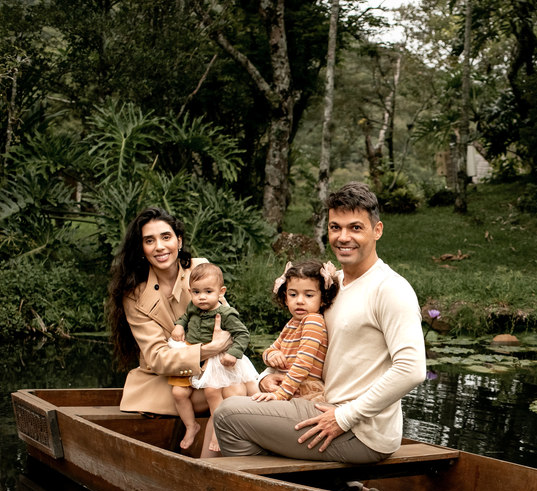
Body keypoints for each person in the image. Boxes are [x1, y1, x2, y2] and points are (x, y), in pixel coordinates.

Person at [213, 182, 426, 465]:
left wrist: (344, 417)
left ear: (377, 230)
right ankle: (325, 489)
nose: (343, 237)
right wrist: (266, 378)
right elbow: (301, 342)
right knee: (241, 409)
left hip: (358, 429)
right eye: (335, 227)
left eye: (355, 228)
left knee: (228, 415)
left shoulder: (390, 289)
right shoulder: (329, 284)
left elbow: (411, 370)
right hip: (318, 403)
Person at [107, 207, 233, 452]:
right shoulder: (133, 294)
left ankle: (221, 464)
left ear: (179, 241)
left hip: (208, 373)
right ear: (141, 249)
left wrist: (218, 349)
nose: (160, 247)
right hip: (164, 381)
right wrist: (206, 350)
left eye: (166, 237)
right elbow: (157, 357)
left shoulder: (200, 268)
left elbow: (226, 324)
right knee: (229, 394)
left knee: (244, 388)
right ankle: (210, 468)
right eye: (149, 240)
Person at [169, 261, 260, 452]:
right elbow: (184, 317)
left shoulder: (226, 313)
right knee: (178, 392)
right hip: (195, 356)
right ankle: (190, 426)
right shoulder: (193, 308)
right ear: (190, 291)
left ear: (221, 292)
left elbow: (243, 334)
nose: (201, 297)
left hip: (219, 360)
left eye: (208, 292)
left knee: (212, 394)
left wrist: (234, 354)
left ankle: (220, 432)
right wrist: (179, 325)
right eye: (196, 292)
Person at [252, 259, 340, 404]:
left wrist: (281, 394)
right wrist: (273, 355)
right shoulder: (292, 323)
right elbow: (270, 350)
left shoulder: (313, 321)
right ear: (285, 298)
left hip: (303, 390)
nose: (299, 301)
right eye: (293, 294)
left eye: (309, 295)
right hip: (288, 386)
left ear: (323, 299)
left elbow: (303, 363)